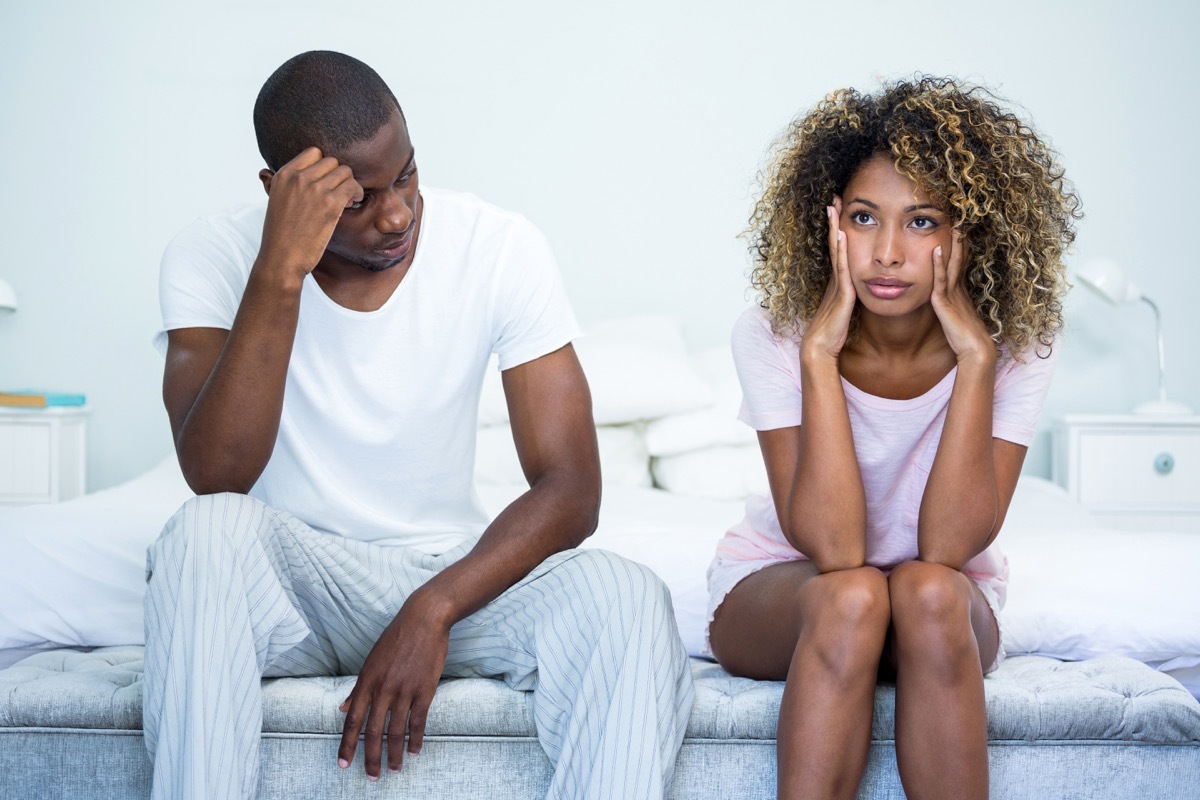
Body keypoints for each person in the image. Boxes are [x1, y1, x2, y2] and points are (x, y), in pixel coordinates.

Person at [145, 50, 693, 800]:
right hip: (298, 589)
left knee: (627, 596)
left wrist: (431, 608)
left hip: (451, 578)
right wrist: (280, 269)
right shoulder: (211, 254)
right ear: (282, 192)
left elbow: (572, 489)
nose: (397, 213)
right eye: (358, 199)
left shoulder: (498, 246)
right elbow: (218, 473)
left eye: (404, 175)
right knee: (201, 535)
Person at [706, 76, 1080, 799]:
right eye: (865, 218)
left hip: (940, 600)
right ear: (829, 223)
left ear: (967, 232)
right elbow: (837, 552)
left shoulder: (1019, 345)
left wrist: (975, 360)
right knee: (854, 596)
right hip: (789, 588)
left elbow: (947, 548)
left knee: (927, 590)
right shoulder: (775, 337)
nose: (885, 253)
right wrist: (819, 357)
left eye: (921, 222)